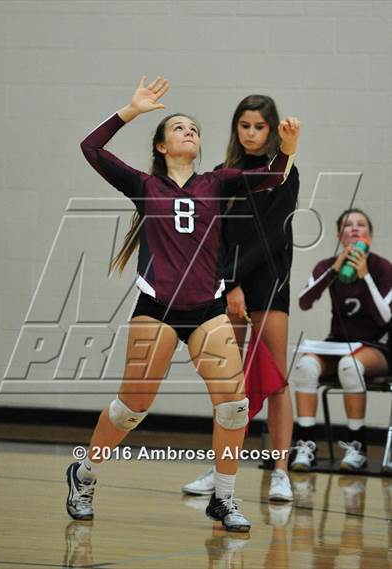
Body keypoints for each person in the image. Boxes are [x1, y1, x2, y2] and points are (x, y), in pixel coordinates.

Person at [65, 76, 300, 532]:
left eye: (194, 128)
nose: (189, 131)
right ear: (161, 144)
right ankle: (84, 472)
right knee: (131, 409)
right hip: (157, 309)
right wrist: (130, 111)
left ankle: (225, 499)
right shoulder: (143, 185)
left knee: (232, 405)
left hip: (208, 310)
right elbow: (91, 149)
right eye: (178, 127)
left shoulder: (217, 181)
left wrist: (286, 149)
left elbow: (273, 175)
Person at [182, 95, 299, 502]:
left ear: (272, 130)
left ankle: (281, 470)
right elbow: (212, 235)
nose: (250, 133)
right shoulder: (221, 174)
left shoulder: (284, 172)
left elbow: (272, 235)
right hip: (229, 285)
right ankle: (221, 469)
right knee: (228, 384)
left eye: (259, 127)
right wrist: (228, 285)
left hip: (268, 281)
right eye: (244, 125)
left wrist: (240, 283)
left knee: (277, 379)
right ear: (236, 128)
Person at [291, 208, 392, 472]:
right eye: (348, 225)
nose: (355, 229)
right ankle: (306, 446)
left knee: (350, 366)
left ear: (370, 234)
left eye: (361, 225)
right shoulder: (327, 266)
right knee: (305, 367)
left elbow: (385, 318)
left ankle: (356, 447)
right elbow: (304, 301)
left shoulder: (383, 268)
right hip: (337, 343)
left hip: (376, 348)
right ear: (340, 235)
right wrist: (335, 270)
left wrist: (365, 275)